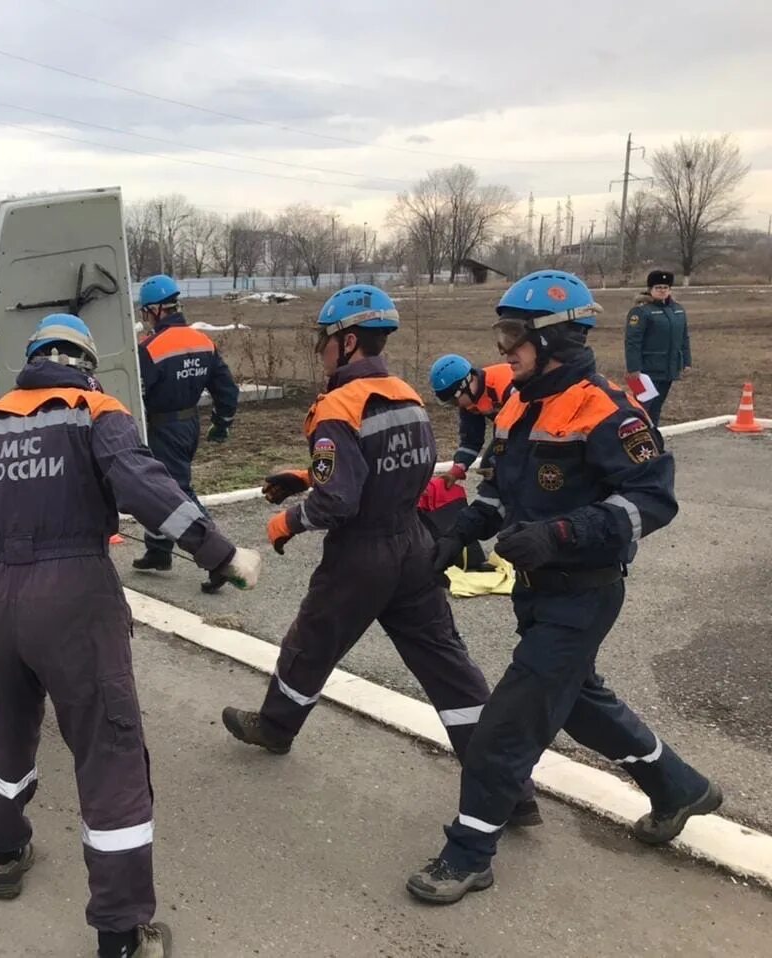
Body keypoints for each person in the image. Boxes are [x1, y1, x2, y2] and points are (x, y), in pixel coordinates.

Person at [0, 314, 260, 958]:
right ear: (83, 362)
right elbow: (149, 488)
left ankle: (6, 852)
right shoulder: (95, 411)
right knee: (109, 751)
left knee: (10, 724)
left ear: (32, 361)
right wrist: (220, 553)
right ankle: (120, 935)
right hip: (74, 593)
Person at [408, 269, 721, 905]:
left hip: (583, 592)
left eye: (513, 335)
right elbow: (502, 489)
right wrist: (457, 530)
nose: (502, 349)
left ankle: (469, 854)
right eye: (501, 334)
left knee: (507, 724)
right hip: (537, 590)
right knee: (578, 703)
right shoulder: (521, 401)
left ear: (555, 339)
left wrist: (560, 536)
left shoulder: (607, 410)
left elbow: (653, 503)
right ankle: (680, 787)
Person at [218, 284, 540, 827]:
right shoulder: (407, 396)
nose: (320, 349)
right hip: (413, 545)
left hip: (360, 556)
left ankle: (275, 728)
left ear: (346, 344)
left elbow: (338, 498)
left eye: (324, 340)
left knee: (310, 643)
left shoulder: (337, 406)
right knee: (448, 667)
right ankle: (510, 788)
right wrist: (302, 476)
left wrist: (285, 521)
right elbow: (390, 471)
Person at [133, 274, 239, 584]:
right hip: (190, 424)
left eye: (145, 313)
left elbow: (139, 393)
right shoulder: (203, 341)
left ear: (155, 310)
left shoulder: (150, 348)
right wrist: (222, 423)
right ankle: (158, 549)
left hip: (163, 428)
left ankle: (219, 558)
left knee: (177, 493)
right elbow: (226, 389)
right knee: (159, 487)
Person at [428, 354, 515, 487]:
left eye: (453, 400)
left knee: (501, 467)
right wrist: (456, 471)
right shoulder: (469, 402)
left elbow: (520, 434)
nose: (455, 405)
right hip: (511, 431)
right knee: (489, 466)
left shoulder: (507, 387)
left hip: (541, 426)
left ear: (464, 385)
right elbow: (471, 441)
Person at [625, 268, 691, 424]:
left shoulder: (678, 310)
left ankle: (653, 437)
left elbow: (684, 337)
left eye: (665, 287)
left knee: (657, 406)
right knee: (641, 407)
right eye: (658, 288)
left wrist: (687, 362)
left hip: (669, 367)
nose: (662, 291)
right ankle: (637, 437)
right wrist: (633, 367)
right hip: (646, 370)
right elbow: (632, 341)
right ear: (650, 290)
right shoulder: (641, 311)